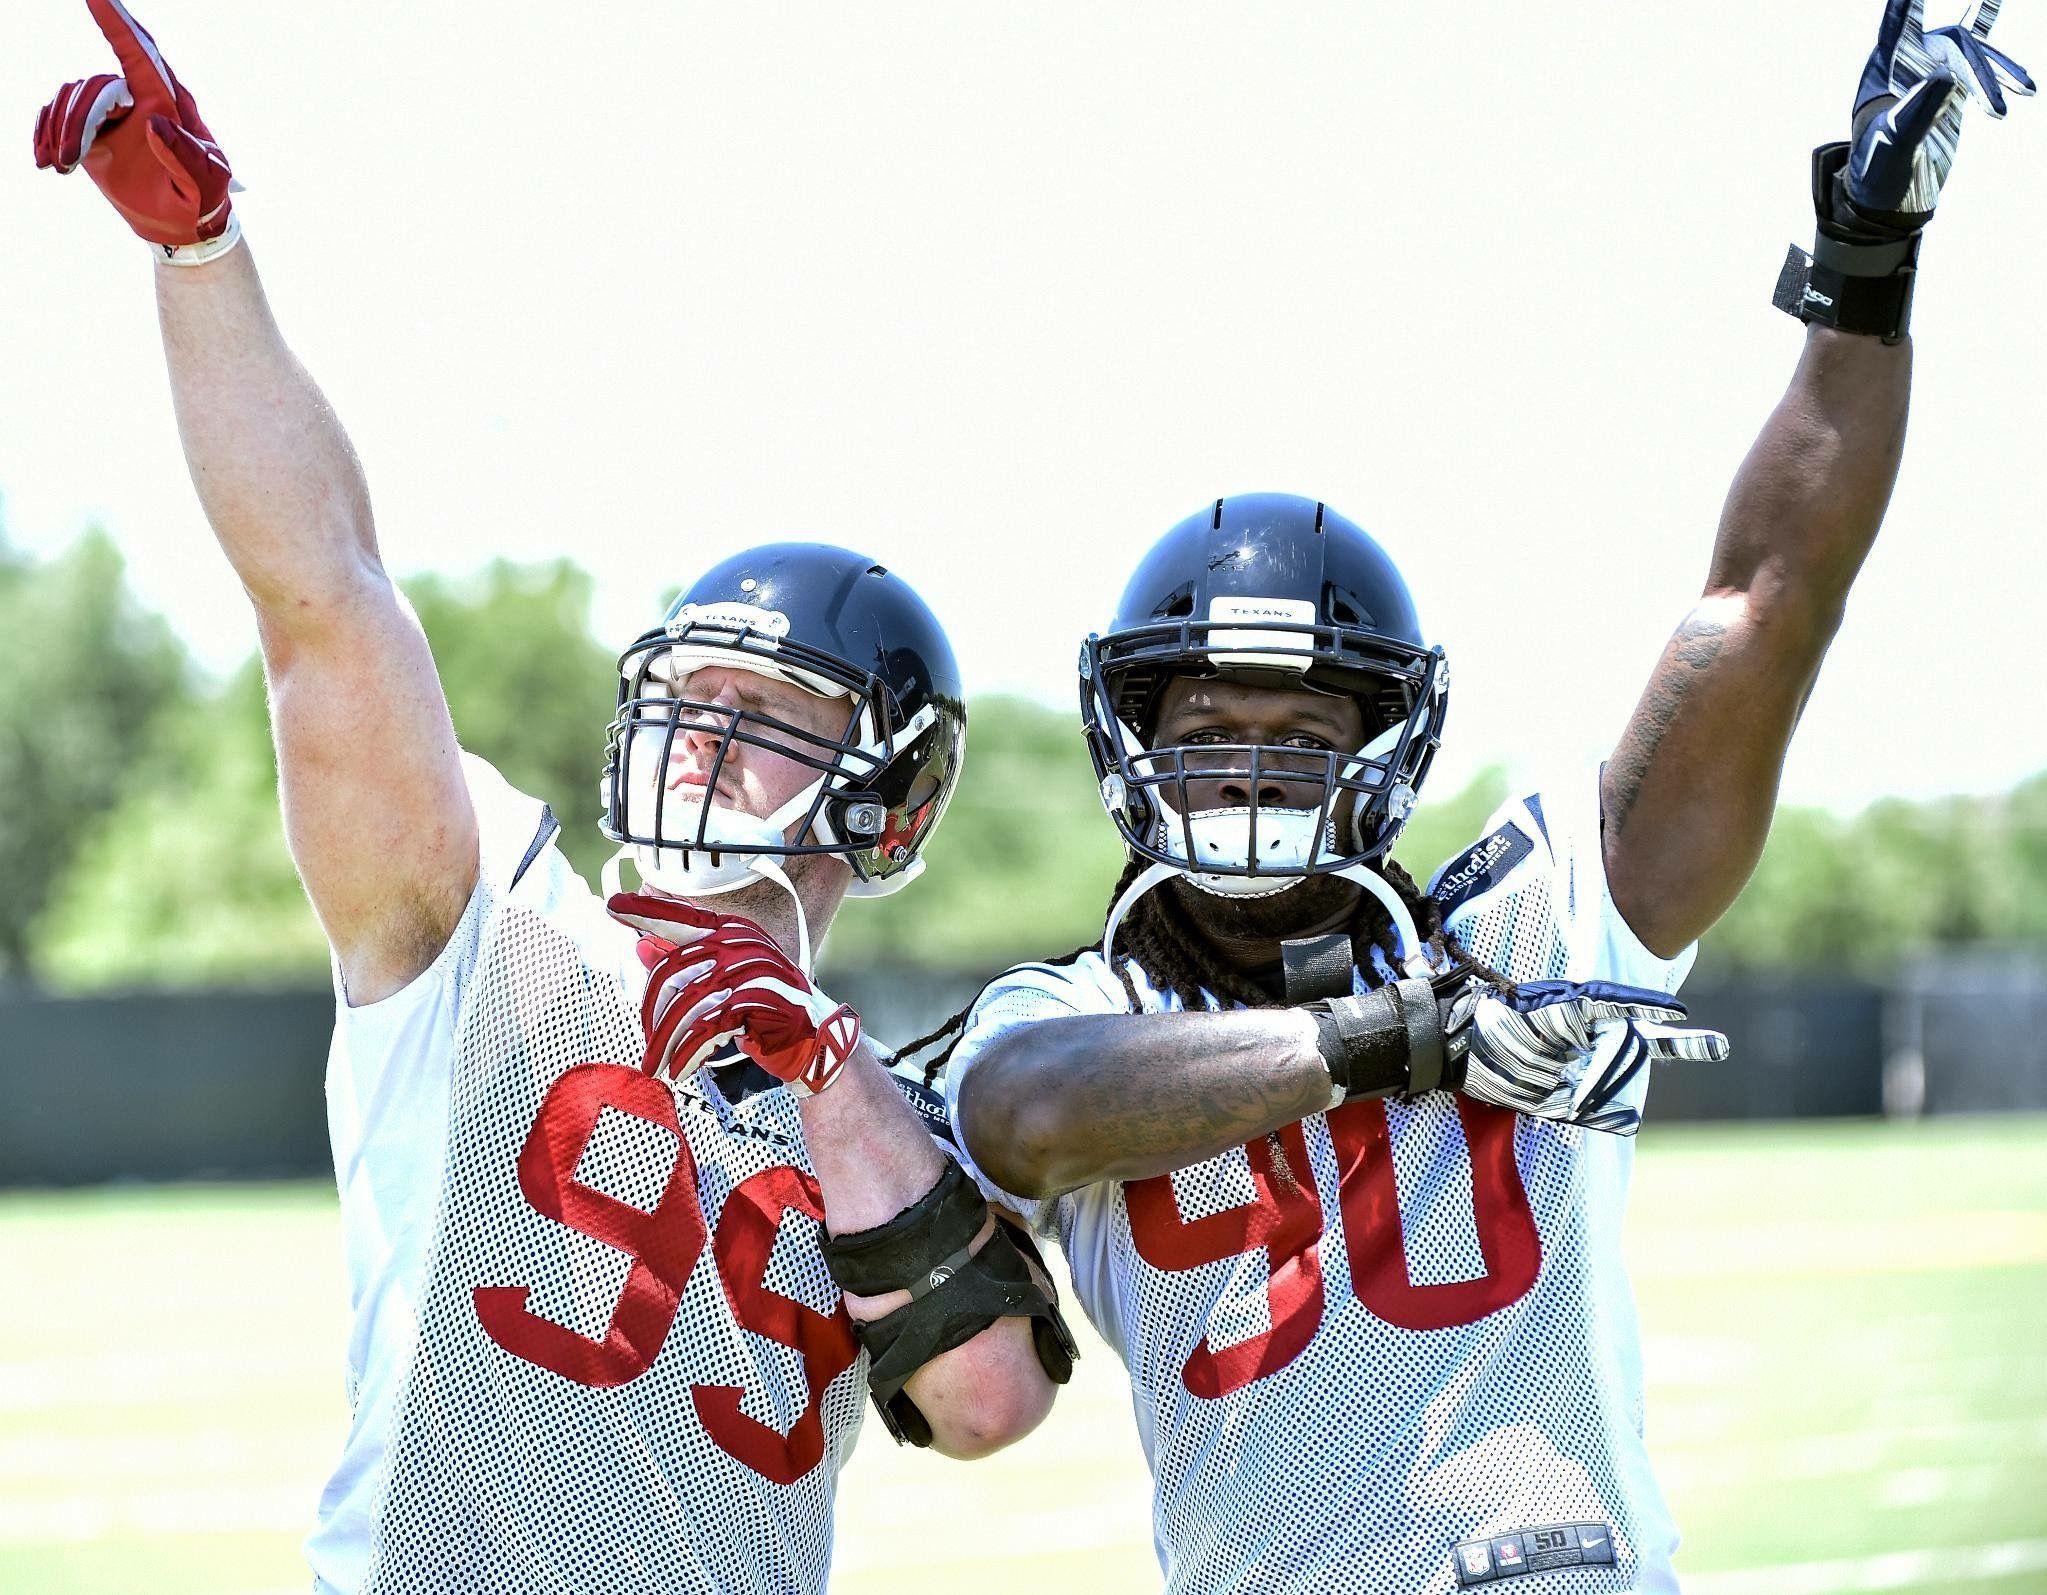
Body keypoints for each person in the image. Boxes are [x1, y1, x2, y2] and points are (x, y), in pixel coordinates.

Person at [917, 4, 2035, 1591]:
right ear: (1129, 748)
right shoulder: (1076, 1013)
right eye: (1205, 724)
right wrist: (1396, 1040)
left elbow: (1768, 600)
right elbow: (1025, 1111)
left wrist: (1866, 265)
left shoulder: (1531, 925)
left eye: (1299, 731)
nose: (1244, 762)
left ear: (1385, 755)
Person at [33, 5, 1073, 1593]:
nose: (708, 745)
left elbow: (985, 1401)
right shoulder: (490, 931)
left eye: (773, 716)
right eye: (692, 701)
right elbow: (323, 599)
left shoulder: (898, 1119)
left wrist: (826, 1074)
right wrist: (204, 264)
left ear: (893, 801)